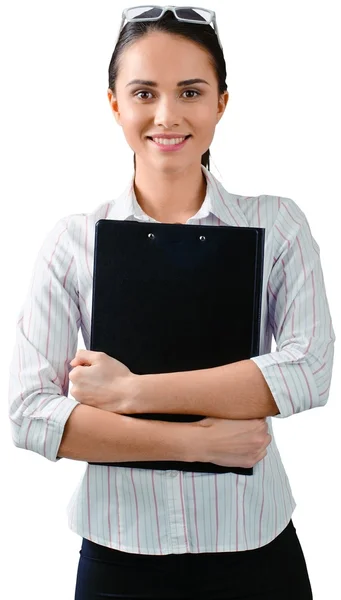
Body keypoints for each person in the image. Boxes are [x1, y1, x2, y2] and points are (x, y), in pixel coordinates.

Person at [8, 5, 335, 600]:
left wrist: (133, 393)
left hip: (255, 551)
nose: (167, 115)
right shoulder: (73, 240)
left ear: (221, 103)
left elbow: (308, 369)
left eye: (190, 91)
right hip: (119, 559)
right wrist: (197, 443)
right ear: (114, 104)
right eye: (144, 92)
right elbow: (30, 415)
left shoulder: (276, 224)